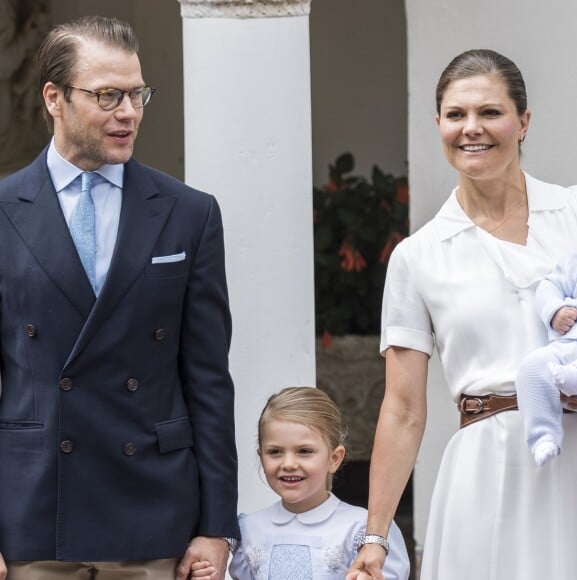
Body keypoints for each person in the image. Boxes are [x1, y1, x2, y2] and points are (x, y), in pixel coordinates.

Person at [0, 15, 239, 580]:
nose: (128, 112)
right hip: (34, 516)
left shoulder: (190, 213)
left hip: (153, 516)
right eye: (108, 95)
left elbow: (208, 379)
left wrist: (216, 525)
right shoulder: (3, 210)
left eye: (137, 94)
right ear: (54, 98)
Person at [346, 49, 577, 580]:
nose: (471, 129)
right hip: (487, 469)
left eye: (490, 112)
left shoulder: (575, 213)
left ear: (523, 122)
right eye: (456, 115)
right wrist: (376, 536)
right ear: (438, 124)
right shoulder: (418, 256)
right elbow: (403, 409)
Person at [205, 387, 409, 580]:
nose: (289, 464)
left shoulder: (363, 530)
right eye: (275, 452)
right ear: (261, 457)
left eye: (304, 451)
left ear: (334, 458)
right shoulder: (249, 530)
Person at [516, 253, 577, 466]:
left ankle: (572, 378)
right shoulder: (575, 263)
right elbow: (549, 287)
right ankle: (544, 437)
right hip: (567, 344)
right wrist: (556, 311)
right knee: (532, 367)